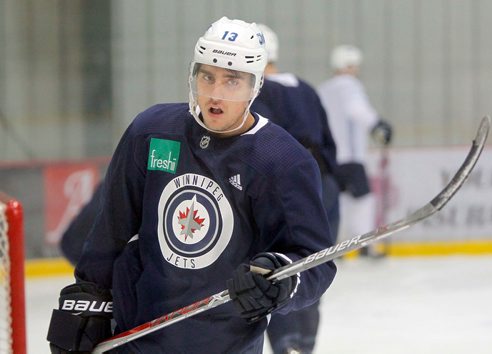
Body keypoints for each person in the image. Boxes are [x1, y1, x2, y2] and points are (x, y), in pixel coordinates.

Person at [46, 17, 337, 354]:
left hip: (225, 343)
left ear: (255, 86)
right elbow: (111, 229)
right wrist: (89, 296)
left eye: (232, 81)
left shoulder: (283, 160)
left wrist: (282, 281)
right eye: (207, 76)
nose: (215, 93)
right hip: (135, 335)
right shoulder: (152, 131)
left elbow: (314, 261)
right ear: (193, 75)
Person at [251, 24, 340, 354]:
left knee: (282, 266)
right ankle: (304, 344)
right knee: (312, 264)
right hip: (322, 186)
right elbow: (330, 144)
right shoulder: (304, 88)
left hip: (285, 188)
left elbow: (259, 148)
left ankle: (287, 344)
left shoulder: (257, 92)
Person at [317, 45, 392, 257]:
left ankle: (335, 247)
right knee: (362, 199)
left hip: (330, 156)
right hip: (349, 155)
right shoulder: (349, 85)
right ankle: (364, 244)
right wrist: (377, 125)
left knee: (338, 200)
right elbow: (356, 109)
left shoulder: (324, 89)